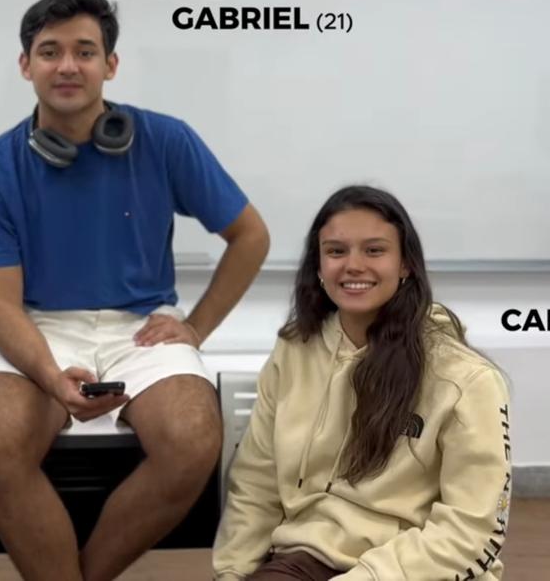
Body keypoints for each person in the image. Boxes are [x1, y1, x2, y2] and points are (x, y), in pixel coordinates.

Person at [0, 0, 271, 581]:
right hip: (40, 326)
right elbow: (1, 307)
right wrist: (52, 378)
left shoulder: (166, 140)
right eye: (50, 52)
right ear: (26, 65)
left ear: (111, 64)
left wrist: (195, 328)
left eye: (85, 50)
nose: (68, 66)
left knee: (193, 439)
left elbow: (250, 236)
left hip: (143, 328)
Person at [212, 185, 512, 581]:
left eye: (374, 250)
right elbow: (256, 483)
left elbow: (472, 530)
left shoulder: (466, 378)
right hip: (306, 557)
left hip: (415, 570)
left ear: (405, 264)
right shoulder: (294, 351)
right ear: (317, 266)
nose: (353, 265)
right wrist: (232, 573)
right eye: (336, 251)